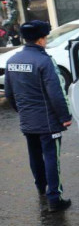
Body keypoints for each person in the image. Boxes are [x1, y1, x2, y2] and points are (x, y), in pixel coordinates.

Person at [5, 20, 73, 212]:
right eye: (46, 38)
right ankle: (55, 198)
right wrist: (65, 116)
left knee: (35, 155)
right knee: (52, 157)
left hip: (28, 120)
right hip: (48, 122)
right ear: (41, 39)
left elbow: (10, 94)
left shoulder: (12, 61)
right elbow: (56, 92)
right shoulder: (44, 61)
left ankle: (41, 188)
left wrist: (22, 112)